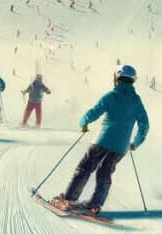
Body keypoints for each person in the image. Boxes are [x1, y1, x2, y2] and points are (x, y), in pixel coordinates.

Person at [53, 64, 149, 215]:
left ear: (117, 78)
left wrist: (83, 123)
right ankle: (95, 204)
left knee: (85, 168)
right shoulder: (137, 102)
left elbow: (94, 112)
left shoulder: (111, 96)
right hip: (120, 147)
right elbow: (144, 125)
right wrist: (135, 143)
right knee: (105, 173)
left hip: (102, 141)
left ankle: (69, 199)